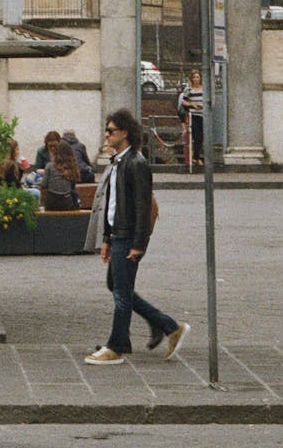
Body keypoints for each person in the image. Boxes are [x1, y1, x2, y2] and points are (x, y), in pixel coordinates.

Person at [83, 110, 187, 366]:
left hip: (128, 237)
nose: (106, 135)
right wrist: (106, 238)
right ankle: (166, 326)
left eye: (111, 131)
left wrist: (139, 244)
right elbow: (113, 204)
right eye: (106, 130)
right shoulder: (118, 161)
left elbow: (142, 207)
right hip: (117, 235)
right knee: (118, 287)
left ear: (125, 133)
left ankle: (117, 346)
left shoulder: (136, 163)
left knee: (121, 293)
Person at [40, 131, 82, 211]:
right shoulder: (72, 167)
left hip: (52, 202)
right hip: (67, 201)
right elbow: (73, 185)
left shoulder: (50, 166)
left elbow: (44, 184)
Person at [178, 70, 205, 166]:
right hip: (193, 115)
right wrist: (192, 104)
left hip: (203, 115)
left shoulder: (204, 89)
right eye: (194, 77)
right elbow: (184, 102)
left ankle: (196, 156)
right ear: (191, 79)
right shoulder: (188, 89)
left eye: (198, 77)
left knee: (201, 137)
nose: (196, 79)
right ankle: (196, 157)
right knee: (197, 137)